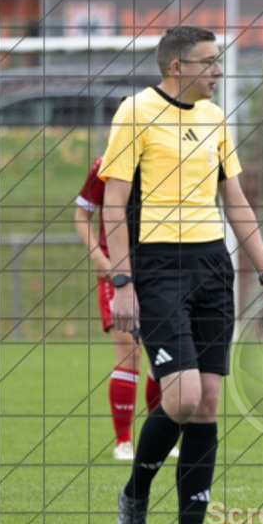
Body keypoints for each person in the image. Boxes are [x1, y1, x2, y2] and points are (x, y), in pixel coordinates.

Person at [101, 25, 263, 524]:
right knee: (179, 397)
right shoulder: (135, 112)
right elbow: (114, 205)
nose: (218, 71)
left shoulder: (215, 118)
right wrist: (122, 281)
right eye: (208, 63)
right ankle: (135, 495)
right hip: (157, 267)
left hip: (212, 266)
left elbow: (236, 203)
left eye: (218, 61)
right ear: (176, 67)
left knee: (205, 405)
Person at [75, 155, 176, 461]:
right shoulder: (105, 164)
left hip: (158, 269)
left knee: (164, 354)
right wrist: (97, 257)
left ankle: (161, 438)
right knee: (130, 353)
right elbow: (82, 214)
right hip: (116, 273)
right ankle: (124, 442)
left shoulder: (165, 158)